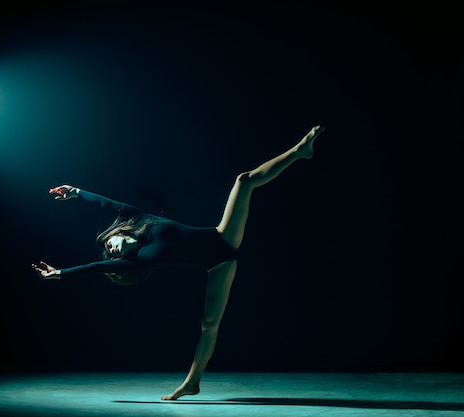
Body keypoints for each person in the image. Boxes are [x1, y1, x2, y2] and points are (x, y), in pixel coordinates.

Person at [32, 124, 325, 400]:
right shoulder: (136, 261)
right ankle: (192, 382)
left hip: (223, 237)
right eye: (112, 253)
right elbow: (96, 267)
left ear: (116, 233)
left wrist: (76, 192)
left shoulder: (139, 219)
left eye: (108, 244)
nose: (110, 248)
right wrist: (60, 273)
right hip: (219, 266)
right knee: (209, 325)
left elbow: (108, 204)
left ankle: (300, 151)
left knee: (244, 181)